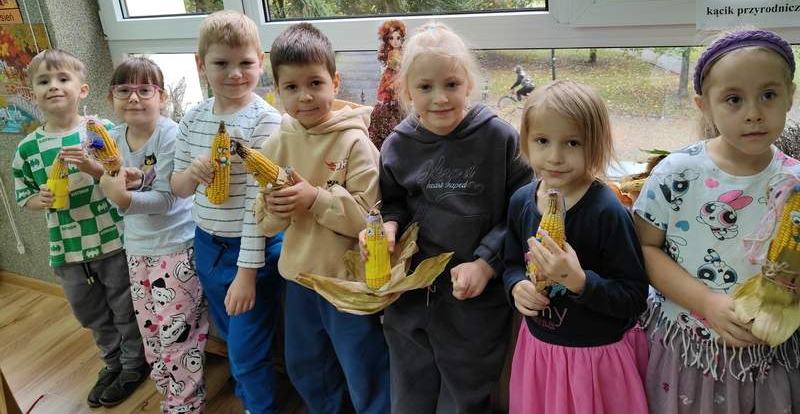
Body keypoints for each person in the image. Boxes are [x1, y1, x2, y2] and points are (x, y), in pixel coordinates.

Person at [634, 27, 800, 413]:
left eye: (769, 95)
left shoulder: (795, 182)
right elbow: (644, 248)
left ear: (790, 95)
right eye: (733, 99)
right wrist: (707, 302)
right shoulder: (676, 173)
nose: (754, 112)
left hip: (770, 356)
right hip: (688, 351)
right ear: (704, 105)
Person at [370, 21, 532, 414]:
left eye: (452, 84)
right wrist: (389, 227)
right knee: (408, 394)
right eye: (425, 87)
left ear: (469, 84)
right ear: (406, 89)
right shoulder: (397, 145)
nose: (440, 98)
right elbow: (393, 202)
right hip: (410, 295)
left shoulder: (500, 138)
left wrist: (486, 263)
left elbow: (524, 211)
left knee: (463, 398)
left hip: (474, 302)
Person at [255, 22, 390, 414]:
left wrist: (315, 198)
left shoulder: (355, 142)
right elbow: (264, 222)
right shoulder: (275, 143)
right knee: (307, 365)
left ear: (335, 82)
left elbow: (370, 220)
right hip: (300, 280)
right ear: (277, 90)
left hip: (348, 281)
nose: (305, 96)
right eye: (292, 87)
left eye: (315, 83)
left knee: (363, 366)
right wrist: (275, 210)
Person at [11, 48, 149, 408]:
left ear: (82, 90)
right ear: (32, 94)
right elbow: (23, 194)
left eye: (63, 79)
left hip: (113, 239)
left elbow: (123, 177)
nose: (54, 86)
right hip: (68, 248)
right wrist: (38, 199)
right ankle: (112, 362)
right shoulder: (27, 148)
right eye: (43, 81)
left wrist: (92, 167)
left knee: (125, 306)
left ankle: (134, 364)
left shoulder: (102, 131)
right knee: (90, 313)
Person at [503, 79, 650, 414]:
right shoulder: (520, 202)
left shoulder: (608, 212)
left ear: (595, 145)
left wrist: (577, 280)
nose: (555, 157)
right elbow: (511, 263)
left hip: (596, 359)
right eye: (542, 141)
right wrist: (516, 287)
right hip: (539, 352)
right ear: (526, 141)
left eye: (572, 143)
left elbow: (633, 297)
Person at [170, 10, 283, 414]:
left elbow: (259, 205)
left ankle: (260, 407)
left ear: (261, 63)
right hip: (207, 245)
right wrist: (191, 173)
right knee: (233, 336)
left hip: (253, 249)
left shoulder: (266, 122)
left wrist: (247, 273)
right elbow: (177, 188)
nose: (235, 73)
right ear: (201, 64)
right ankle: (250, 391)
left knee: (247, 348)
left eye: (245, 63)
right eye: (221, 63)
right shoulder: (193, 118)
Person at [98, 56, 207, 414]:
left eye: (145, 89)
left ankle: (184, 404)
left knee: (178, 334)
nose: (134, 97)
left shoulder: (170, 134)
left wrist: (123, 197)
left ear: (162, 97)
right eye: (124, 90)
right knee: (150, 328)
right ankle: (166, 388)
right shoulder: (113, 137)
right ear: (111, 97)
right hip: (136, 248)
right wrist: (120, 186)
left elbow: (167, 197)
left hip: (175, 249)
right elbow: (115, 181)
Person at [370, 19, 407, 149]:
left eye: (398, 38)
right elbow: (393, 65)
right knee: (391, 94)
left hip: (400, 76)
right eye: (392, 38)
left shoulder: (402, 52)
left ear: (402, 39)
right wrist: (399, 67)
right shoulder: (391, 52)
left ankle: (398, 110)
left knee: (400, 96)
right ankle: (393, 110)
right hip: (392, 76)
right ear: (387, 40)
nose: (395, 41)